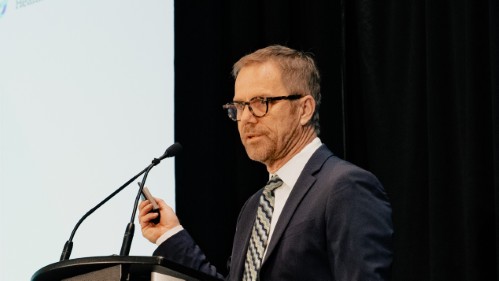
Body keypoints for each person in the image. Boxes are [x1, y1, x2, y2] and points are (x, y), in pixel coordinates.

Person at [138, 44, 393, 280]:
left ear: (304, 109)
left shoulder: (344, 187)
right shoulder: (254, 207)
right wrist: (169, 235)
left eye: (261, 103)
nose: (246, 119)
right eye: (239, 106)